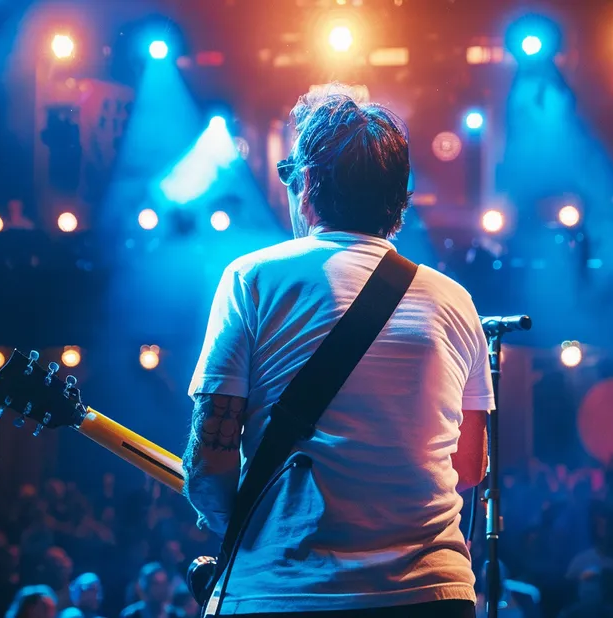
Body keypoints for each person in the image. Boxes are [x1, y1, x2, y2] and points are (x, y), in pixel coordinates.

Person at [182, 86, 492, 617]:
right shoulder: (454, 300)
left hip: (284, 594)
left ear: (306, 185)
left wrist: (237, 522)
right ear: (399, 197)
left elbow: (210, 468)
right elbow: (468, 467)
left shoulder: (251, 279)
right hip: (430, 594)